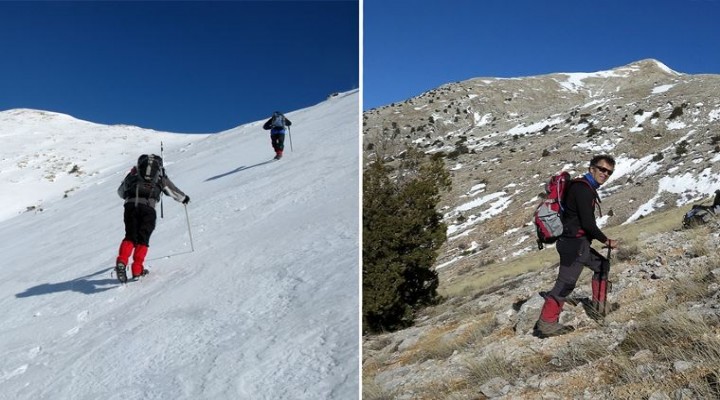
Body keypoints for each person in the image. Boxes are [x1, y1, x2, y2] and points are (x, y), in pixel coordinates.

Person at [533, 155, 619, 338]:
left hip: (576, 243)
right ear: (592, 169)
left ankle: (599, 307)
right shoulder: (583, 190)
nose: (605, 174)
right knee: (565, 284)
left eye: (609, 172)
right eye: (602, 169)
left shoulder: (581, 186)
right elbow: (588, 224)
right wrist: (606, 241)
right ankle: (546, 324)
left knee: (602, 265)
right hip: (574, 245)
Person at [114, 154, 190, 283]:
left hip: (130, 206)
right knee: (143, 239)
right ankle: (137, 270)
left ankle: (122, 261)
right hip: (148, 208)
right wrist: (184, 198)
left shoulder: (133, 174)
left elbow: (120, 192)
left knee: (130, 236)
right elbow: (173, 191)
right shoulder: (160, 176)